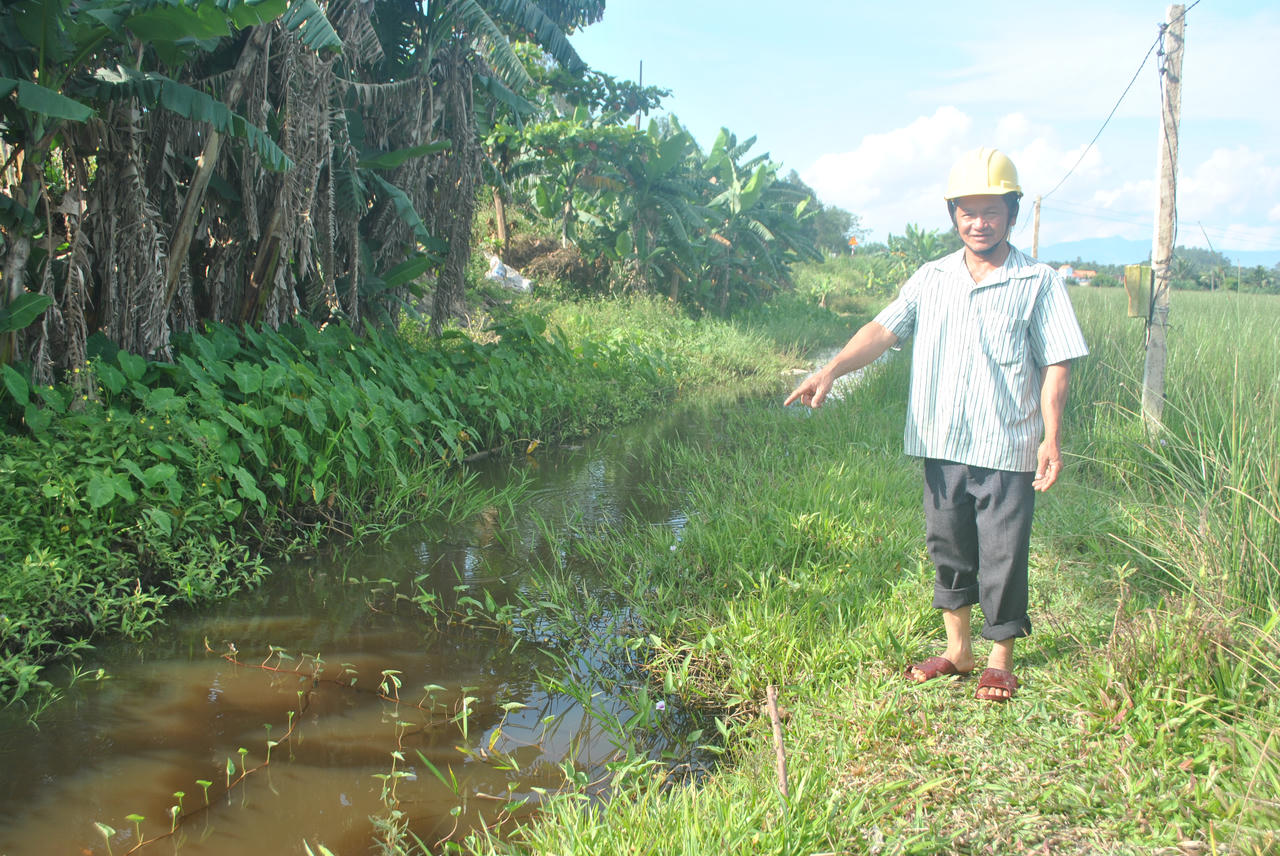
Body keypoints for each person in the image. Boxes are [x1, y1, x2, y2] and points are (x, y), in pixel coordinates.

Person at [784, 147, 1089, 702]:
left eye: (991, 210)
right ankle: (958, 651)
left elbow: (1057, 364)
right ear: (953, 216)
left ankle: (1000, 658)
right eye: (968, 212)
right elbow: (882, 330)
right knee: (947, 546)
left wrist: (1052, 437)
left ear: (1012, 214)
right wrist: (830, 369)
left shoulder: (1039, 281)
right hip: (940, 441)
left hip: (1008, 444)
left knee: (1003, 551)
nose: (979, 222)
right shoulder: (931, 278)